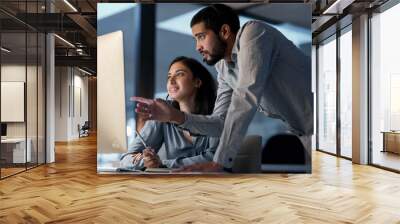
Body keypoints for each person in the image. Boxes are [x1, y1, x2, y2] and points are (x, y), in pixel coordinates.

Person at [133, 4, 313, 172]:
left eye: (201, 37)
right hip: (305, 131)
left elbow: (245, 97)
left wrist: (219, 162)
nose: (197, 47)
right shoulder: (224, 68)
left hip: (330, 119)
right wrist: (174, 116)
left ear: (225, 31)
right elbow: (220, 123)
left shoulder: (253, 33)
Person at [120, 56, 218, 169]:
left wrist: (163, 164)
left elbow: (214, 158)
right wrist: (145, 160)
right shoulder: (162, 112)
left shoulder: (217, 112)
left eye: (179, 74)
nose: (171, 81)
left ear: (197, 82)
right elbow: (126, 159)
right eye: (169, 76)